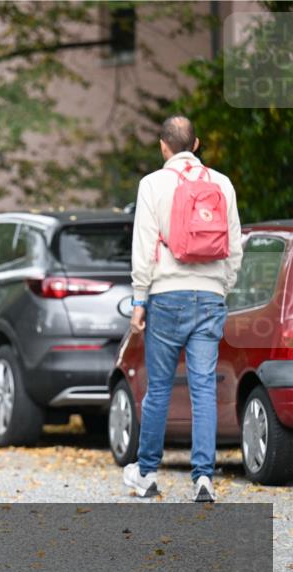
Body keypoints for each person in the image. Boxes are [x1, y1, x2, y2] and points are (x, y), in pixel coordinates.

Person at [124, 115, 242, 502]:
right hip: (209, 296)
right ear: (196, 144)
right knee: (203, 389)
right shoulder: (221, 184)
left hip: (166, 295)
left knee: (158, 389)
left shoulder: (152, 184)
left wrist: (139, 301)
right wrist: (220, 288)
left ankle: (145, 473)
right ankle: (203, 477)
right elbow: (235, 247)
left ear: (163, 145)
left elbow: (144, 247)